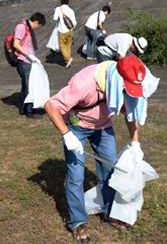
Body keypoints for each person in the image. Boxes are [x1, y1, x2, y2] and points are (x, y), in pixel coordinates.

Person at [44, 55, 149, 243]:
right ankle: (77, 222)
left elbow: (130, 112)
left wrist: (135, 142)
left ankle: (109, 212)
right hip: (75, 127)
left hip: (103, 126)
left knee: (110, 170)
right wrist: (67, 134)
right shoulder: (84, 83)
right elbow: (51, 105)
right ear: (117, 79)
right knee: (76, 176)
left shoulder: (122, 83)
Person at [13, 12, 46, 119]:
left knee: (26, 86)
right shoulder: (21, 27)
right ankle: (29, 112)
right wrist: (28, 55)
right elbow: (16, 44)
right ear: (36, 22)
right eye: (39, 25)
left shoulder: (27, 28)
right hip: (23, 60)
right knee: (29, 87)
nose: (38, 28)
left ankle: (23, 110)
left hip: (27, 60)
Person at [53, 0, 77, 69]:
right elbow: (74, 22)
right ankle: (67, 60)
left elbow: (55, 18)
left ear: (61, 2)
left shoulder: (58, 9)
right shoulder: (71, 10)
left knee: (62, 46)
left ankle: (68, 59)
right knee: (68, 45)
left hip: (62, 30)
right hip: (70, 30)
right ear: (68, 2)